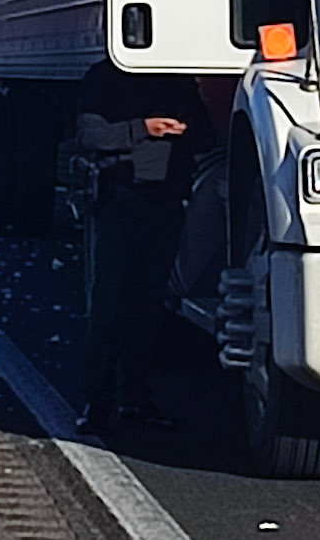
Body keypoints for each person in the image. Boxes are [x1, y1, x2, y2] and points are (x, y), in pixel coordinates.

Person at [74, 61, 216, 436]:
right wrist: (144, 128)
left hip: (166, 201)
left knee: (148, 306)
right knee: (108, 304)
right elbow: (90, 135)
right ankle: (96, 402)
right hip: (119, 199)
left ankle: (135, 397)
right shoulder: (105, 75)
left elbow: (207, 140)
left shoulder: (177, 77)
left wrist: (186, 125)